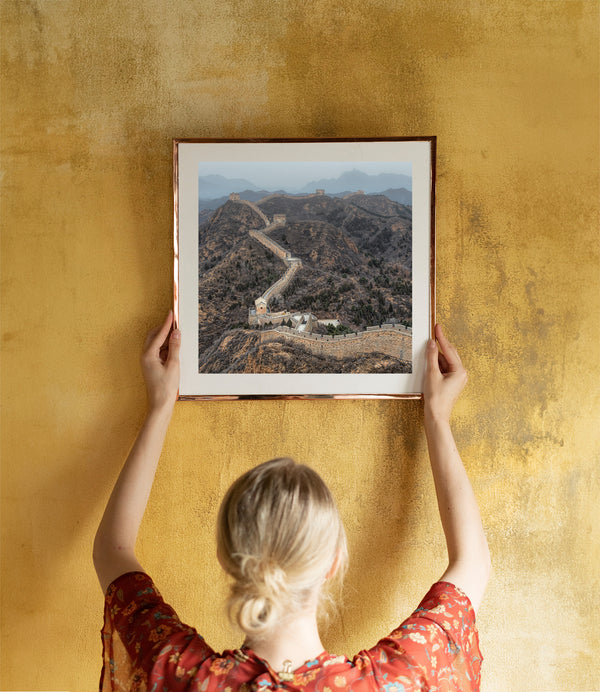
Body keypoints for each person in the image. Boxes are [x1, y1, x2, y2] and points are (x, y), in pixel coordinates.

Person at [94, 312, 491, 691]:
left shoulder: (181, 674)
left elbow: (114, 550)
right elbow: (471, 563)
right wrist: (437, 417)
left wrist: (161, 406)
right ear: (334, 562)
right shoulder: (389, 682)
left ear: (227, 558)